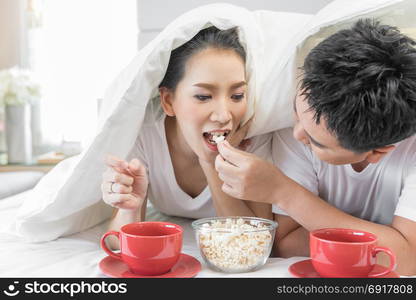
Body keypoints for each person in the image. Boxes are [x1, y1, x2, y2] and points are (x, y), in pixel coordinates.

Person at [214, 19, 416, 275]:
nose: (297, 134)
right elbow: (286, 243)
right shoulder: (300, 125)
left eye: (316, 142)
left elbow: (407, 259)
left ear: (378, 151)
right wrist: (386, 238)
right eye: (297, 113)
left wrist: (284, 192)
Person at [100, 27, 272, 249]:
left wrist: (211, 163)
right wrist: (130, 208)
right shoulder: (145, 134)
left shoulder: (253, 134)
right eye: (203, 96)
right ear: (169, 101)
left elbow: (255, 242)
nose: (223, 115)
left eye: (237, 96)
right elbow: (116, 241)